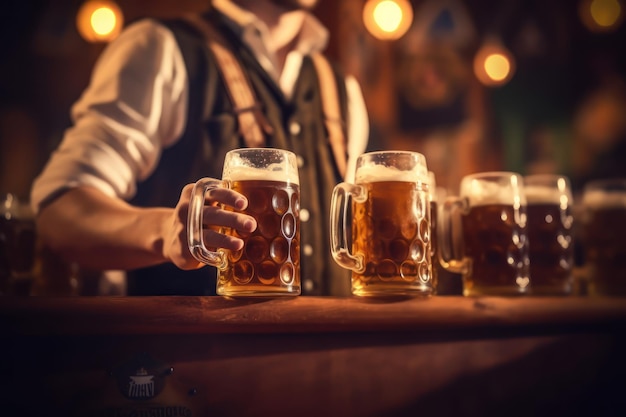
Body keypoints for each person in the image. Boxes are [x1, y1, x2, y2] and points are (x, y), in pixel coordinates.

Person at [30, 0, 369, 296]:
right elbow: (60, 210)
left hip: (329, 363)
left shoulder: (342, 87)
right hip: (192, 361)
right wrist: (163, 231)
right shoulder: (159, 47)